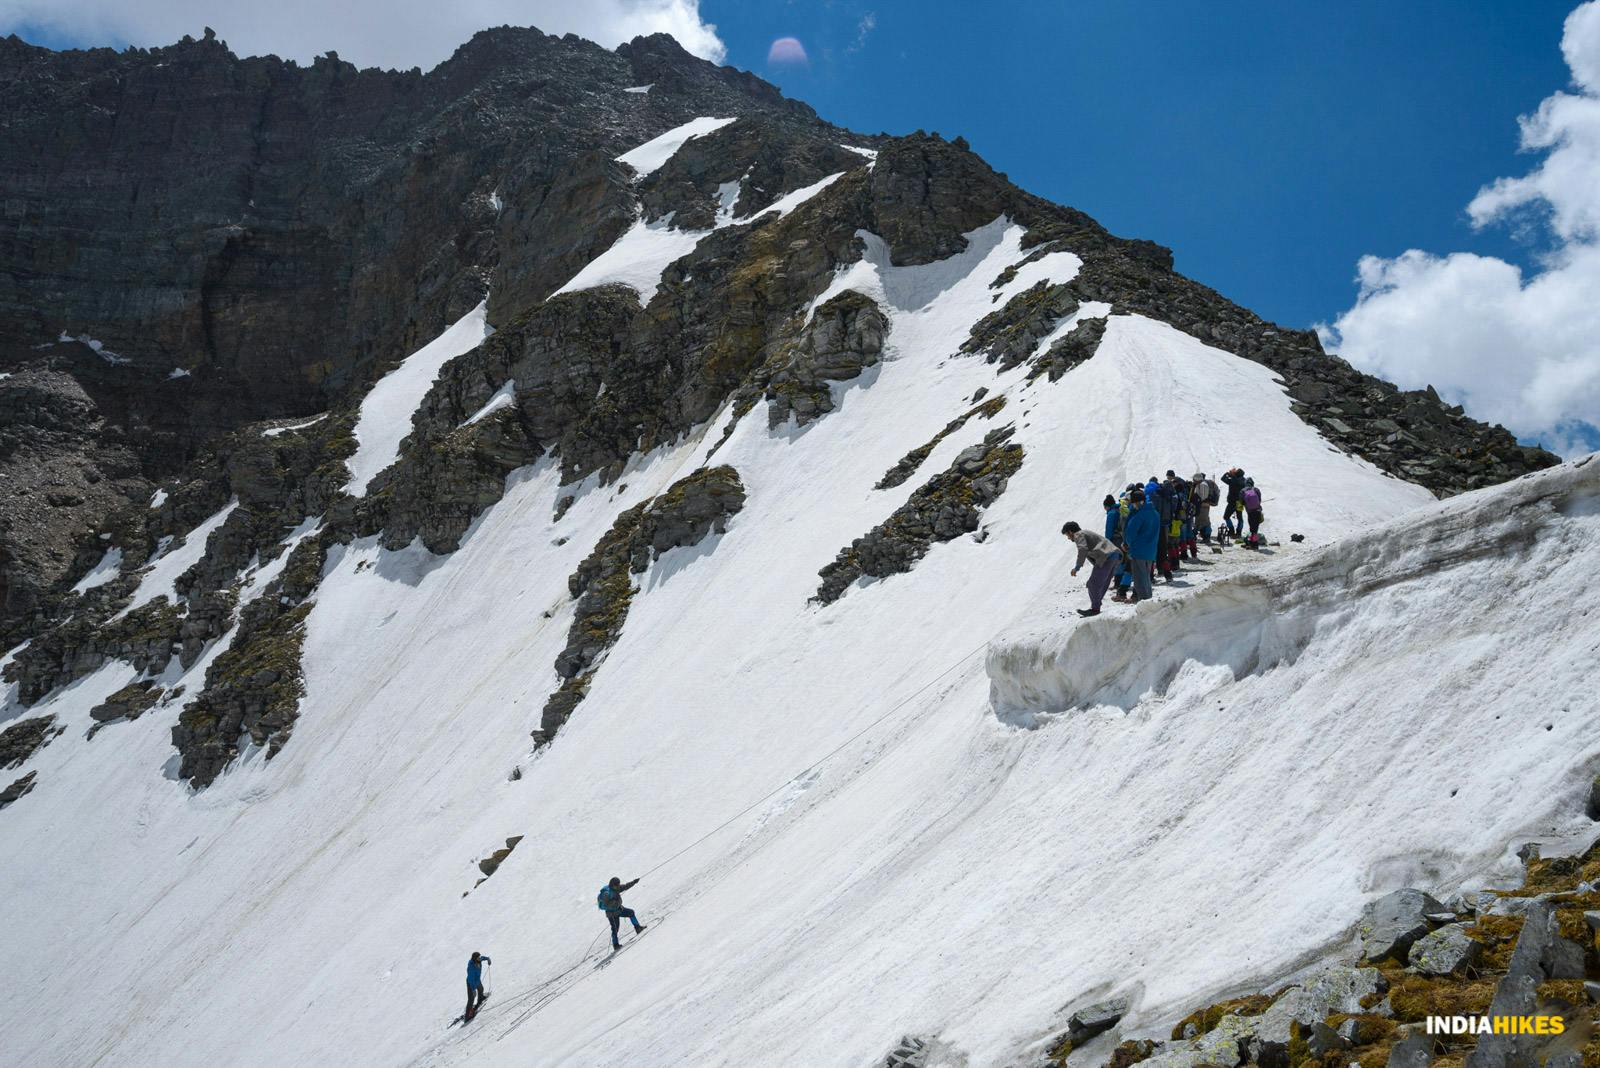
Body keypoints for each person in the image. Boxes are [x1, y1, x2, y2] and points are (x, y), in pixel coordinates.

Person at [1064, 521, 1122, 617]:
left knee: (1093, 584)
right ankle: (1096, 606)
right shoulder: (1086, 533)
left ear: (1070, 532)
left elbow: (1082, 549)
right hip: (1114, 555)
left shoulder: (1078, 535)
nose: (1068, 538)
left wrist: (1077, 567)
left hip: (1105, 557)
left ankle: (1095, 609)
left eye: (1067, 535)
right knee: (1102, 583)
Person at [1121, 489, 1159, 602]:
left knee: (1139, 580)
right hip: (1151, 551)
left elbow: (1130, 532)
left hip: (1138, 551)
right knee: (1146, 578)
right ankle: (1149, 601)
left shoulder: (1139, 515)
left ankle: (1145, 603)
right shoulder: (1155, 513)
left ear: (1138, 502)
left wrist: (1127, 544)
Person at [598, 876, 647, 950]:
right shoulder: (606, 893)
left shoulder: (616, 888)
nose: (618, 886)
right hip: (612, 914)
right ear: (613, 885)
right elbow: (607, 904)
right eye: (617, 885)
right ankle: (615, 945)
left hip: (619, 910)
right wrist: (616, 901)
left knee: (631, 912)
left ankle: (638, 928)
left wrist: (634, 882)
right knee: (615, 929)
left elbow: (625, 886)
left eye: (618, 885)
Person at [464, 951, 492, 1022]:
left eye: (479, 957)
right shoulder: (471, 967)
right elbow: (471, 979)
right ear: (475, 959)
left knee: (481, 989)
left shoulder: (479, 960)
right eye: (478, 957)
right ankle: (467, 1016)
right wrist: (473, 989)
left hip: (477, 980)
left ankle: (480, 999)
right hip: (471, 983)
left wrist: (488, 959)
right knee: (471, 999)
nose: (480, 958)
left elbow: (483, 958)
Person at [1221, 468, 1247, 537]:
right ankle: (1239, 532)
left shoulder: (1233, 480)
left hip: (1232, 502)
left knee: (1226, 516)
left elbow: (1223, 478)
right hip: (1240, 502)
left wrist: (1228, 473)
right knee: (1240, 518)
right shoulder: (1244, 481)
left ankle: (1231, 530)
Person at [1192, 472, 1215, 544]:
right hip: (1203, 505)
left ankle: (1206, 537)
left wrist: (1197, 501)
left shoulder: (1203, 485)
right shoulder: (1201, 484)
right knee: (1201, 521)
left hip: (1203, 506)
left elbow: (1203, 496)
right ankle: (1204, 536)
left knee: (1204, 522)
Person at [1241, 478, 1265, 548]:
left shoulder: (1243, 490)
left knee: (1252, 528)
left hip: (1250, 511)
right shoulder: (1256, 490)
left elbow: (1241, 502)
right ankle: (1253, 543)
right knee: (1255, 528)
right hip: (1257, 510)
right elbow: (1259, 500)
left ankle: (1254, 544)